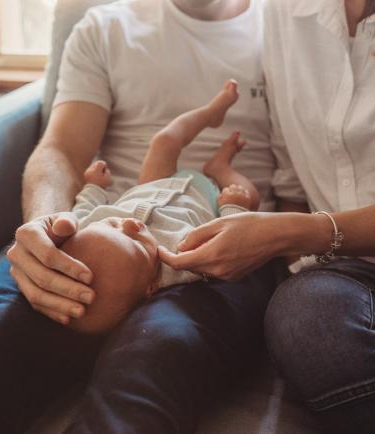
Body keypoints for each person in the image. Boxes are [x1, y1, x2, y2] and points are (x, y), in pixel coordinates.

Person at [0, 0, 279, 432]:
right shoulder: (105, 27)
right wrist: (50, 238)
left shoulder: (291, 31)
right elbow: (61, 150)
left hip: (220, 251)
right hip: (103, 227)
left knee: (154, 357)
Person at [159, 0, 375, 432]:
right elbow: (290, 167)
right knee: (310, 322)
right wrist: (289, 249)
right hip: (355, 279)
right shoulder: (285, 11)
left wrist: (291, 234)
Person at [65, 81, 259, 334]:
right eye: (136, 242)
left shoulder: (86, 230)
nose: (132, 224)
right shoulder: (179, 263)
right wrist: (234, 207)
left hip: (152, 184)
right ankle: (221, 168)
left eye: (113, 224)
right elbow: (226, 243)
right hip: (208, 199)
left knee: (164, 142)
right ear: (152, 285)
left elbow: (82, 209)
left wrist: (94, 186)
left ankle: (212, 113)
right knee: (251, 196)